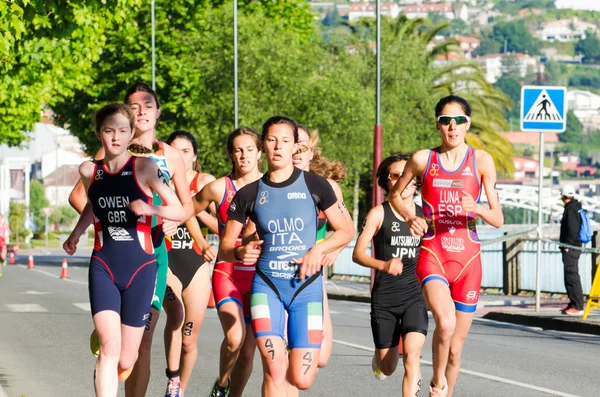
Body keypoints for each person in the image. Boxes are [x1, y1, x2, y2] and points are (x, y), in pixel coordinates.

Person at [68, 82, 200, 397]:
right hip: (105, 260)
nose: (141, 113)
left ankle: (112, 356)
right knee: (113, 349)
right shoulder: (96, 164)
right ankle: (107, 353)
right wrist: (82, 229)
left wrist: (161, 214)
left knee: (133, 351)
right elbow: (89, 198)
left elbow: (184, 206)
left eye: (147, 106)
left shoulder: (159, 160)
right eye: (135, 107)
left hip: (148, 256)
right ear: (101, 132)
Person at [219, 116, 354, 396]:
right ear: (263, 146)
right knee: (274, 368)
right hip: (266, 287)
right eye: (271, 140)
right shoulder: (248, 194)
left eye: (285, 140)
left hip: (306, 290)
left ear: (295, 146)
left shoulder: (316, 186)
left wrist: (318, 249)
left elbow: (345, 230)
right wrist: (240, 252)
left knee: (302, 379)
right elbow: (225, 248)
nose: (278, 146)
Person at [388, 95, 503, 397]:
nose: (452, 127)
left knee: (455, 349)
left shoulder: (481, 161)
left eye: (459, 121)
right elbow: (396, 195)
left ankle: (443, 390)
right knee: (446, 322)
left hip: (468, 259)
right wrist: (412, 217)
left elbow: (498, 218)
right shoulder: (423, 159)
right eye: (445, 120)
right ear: (437, 124)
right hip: (433, 253)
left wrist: (476, 209)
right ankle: (437, 382)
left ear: (468, 124)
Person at [193, 127, 263, 397]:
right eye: (237, 150)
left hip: (261, 275)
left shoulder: (272, 186)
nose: (243, 155)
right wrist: (201, 242)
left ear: (260, 152)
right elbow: (188, 210)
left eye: (249, 149)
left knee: (247, 352)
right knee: (235, 338)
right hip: (228, 272)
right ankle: (222, 383)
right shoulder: (219, 187)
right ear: (231, 154)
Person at [352, 153, 427, 396]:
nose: (403, 180)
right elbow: (357, 254)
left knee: (413, 355)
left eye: (408, 175)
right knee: (388, 367)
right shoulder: (378, 214)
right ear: (387, 182)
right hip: (385, 299)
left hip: (414, 297)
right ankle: (378, 360)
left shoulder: (424, 214)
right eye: (396, 175)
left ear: (416, 181)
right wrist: (383, 265)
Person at [292, 125, 352, 370]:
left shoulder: (327, 187)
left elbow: (347, 228)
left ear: (311, 151)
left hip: (313, 273)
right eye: (292, 144)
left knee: (322, 357)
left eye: (302, 146)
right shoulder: (272, 185)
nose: (296, 151)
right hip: (279, 271)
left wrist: (332, 250)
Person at [162, 130, 218, 397]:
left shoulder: (205, 182)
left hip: (196, 264)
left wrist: (194, 209)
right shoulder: (159, 181)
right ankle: (172, 381)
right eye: (174, 150)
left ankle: (181, 389)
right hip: (168, 262)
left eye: (186, 151)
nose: (180, 156)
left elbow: (225, 226)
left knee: (189, 339)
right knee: (176, 316)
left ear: (194, 157)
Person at [559, 184, 585, 316]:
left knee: (572, 276)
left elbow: (572, 229)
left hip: (572, 247)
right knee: (569, 275)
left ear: (562, 196)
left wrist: (567, 245)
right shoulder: (574, 207)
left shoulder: (571, 209)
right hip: (573, 246)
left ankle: (578, 306)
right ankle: (572, 303)